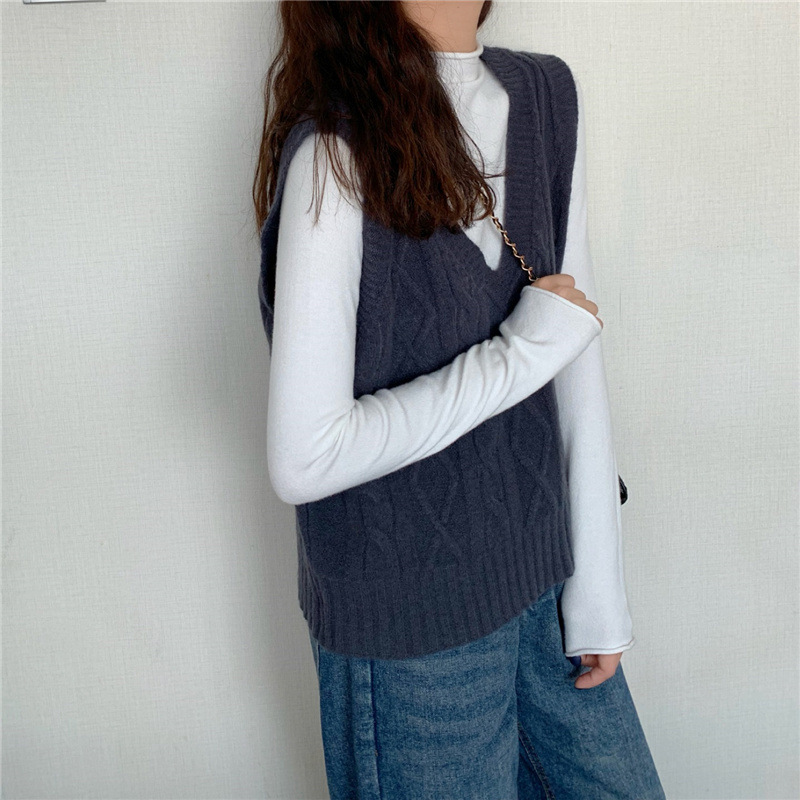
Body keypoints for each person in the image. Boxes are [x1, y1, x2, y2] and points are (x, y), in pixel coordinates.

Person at [253, 1, 666, 797]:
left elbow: (575, 344)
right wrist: (516, 356)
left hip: (546, 581)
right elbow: (305, 456)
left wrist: (598, 588)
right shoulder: (336, 151)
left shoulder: (544, 96)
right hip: (411, 632)